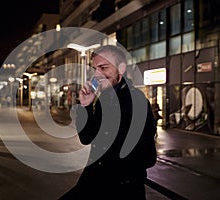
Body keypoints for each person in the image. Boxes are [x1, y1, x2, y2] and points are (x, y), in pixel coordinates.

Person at [59, 45, 157, 199]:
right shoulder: (103, 100)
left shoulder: (137, 102)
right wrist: (85, 106)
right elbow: (86, 138)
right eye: (95, 69)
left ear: (121, 68)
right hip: (92, 182)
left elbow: (147, 157)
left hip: (121, 189)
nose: (97, 74)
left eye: (103, 67)